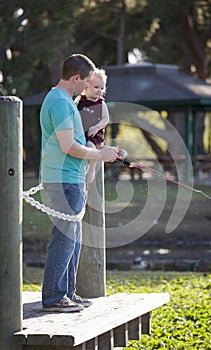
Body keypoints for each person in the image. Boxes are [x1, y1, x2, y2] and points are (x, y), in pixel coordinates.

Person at [40, 54, 118, 312]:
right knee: (63, 239)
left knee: (72, 239)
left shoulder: (66, 101)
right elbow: (68, 146)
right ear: (76, 79)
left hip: (72, 179)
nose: (87, 87)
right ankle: (53, 297)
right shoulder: (61, 103)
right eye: (85, 81)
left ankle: (67, 293)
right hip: (63, 179)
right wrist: (99, 155)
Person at [75, 68, 109, 184]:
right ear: (86, 87)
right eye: (96, 87)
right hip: (82, 131)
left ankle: (91, 170)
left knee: (90, 146)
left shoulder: (101, 103)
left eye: (102, 88)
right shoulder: (80, 100)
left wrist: (96, 127)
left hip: (94, 134)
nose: (100, 91)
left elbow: (106, 119)